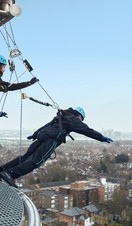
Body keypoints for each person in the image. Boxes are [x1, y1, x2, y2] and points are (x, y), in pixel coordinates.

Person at [0, 107, 113, 188]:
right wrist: (101, 137)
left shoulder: (61, 116)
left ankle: (3, 170)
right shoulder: (73, 120)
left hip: (41, 137)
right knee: (36, 162)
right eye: (80, 119)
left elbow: (46, 125)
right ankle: (11, 174)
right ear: (79, 116)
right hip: (50, 141)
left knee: (25, 157)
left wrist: (35, 134)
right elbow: (87, 130)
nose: (80, 122)